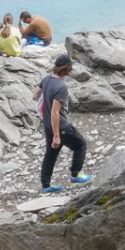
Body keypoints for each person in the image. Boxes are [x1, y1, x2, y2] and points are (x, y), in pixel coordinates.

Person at [34, 54, 91, 193]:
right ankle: (76, 175)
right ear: (67, 68)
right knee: (80, 145)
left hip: (47, 124)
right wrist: (57, 135)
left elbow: (35, 96)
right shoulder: (61, 87)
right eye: (71, 66)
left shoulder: (47, 78)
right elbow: (55, 112)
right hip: (61, 125)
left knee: (51, 154)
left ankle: (46, 186)